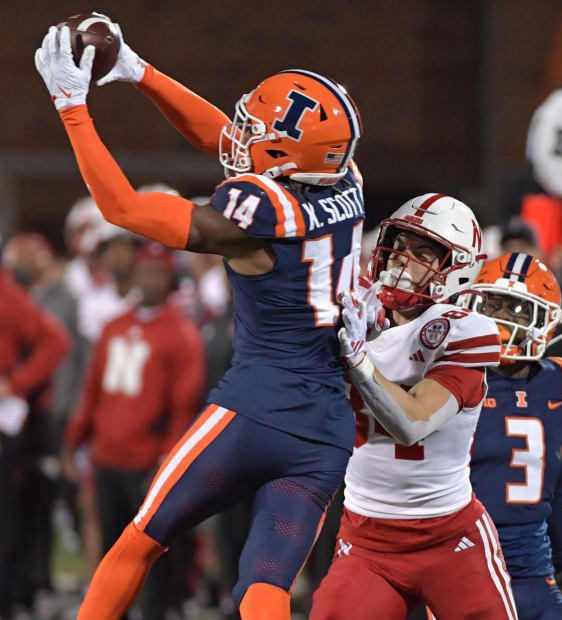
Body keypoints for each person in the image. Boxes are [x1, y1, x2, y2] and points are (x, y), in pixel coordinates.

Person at [35, 21, 363, 620]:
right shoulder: (345, 180)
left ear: (285, 154)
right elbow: (231, 141)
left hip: (257, 407)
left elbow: (123, 208)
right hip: (326, 426)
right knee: (264, 587)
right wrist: (139, 73)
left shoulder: (256, 214)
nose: (243, 136)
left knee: (139, 541)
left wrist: (71, 107)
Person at [310, 194, 518, 620]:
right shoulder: (350, 310)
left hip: (449, 538)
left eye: (422, 253)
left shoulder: (462, 332)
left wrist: (356, 356)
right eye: (399, 245)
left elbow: (413, 423)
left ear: (455, 270)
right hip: (366, 538)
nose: (401, 260)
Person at [62, 241, 205, 620]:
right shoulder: (115, 325)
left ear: (170, 278)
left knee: (147, 554)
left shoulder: (180, 334)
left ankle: (160, 610)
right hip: (107, 455)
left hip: (145, 461)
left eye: (157, 272)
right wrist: (74, 441)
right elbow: (92, 391)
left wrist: (165, 459)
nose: (149, 278)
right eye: (144, 270)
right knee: (109, 549)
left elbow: (183, 407)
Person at [466, 252, 562, 619]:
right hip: (465, 566)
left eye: (515, 310)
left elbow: (553, 482)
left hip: (534, 574)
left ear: (545, 323)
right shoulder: (456, 380)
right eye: (494, 305)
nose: (500, 321)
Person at [0, 266, 70, 617]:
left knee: (7, 512)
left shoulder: (8, 297)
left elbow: (56, 341)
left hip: (6, 421)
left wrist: (16, 383)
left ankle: (8, 596)